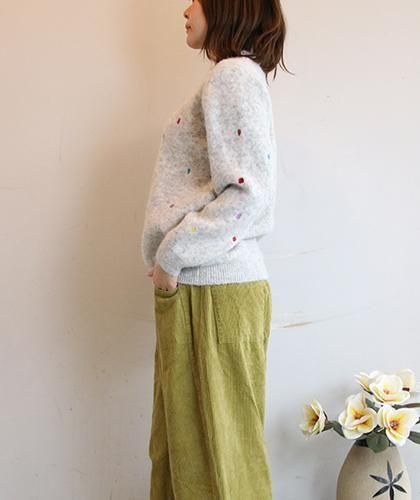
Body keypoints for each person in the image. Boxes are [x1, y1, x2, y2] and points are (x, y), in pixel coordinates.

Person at [140, 1, 290, 498]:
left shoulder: (233, 76)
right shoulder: (235, 76)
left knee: (214, 465)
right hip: (210, 284)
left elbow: (248, 195)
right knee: (194, 458)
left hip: (213, 288)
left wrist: (171, 255)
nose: (185, 9)